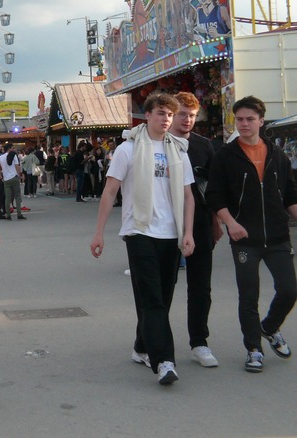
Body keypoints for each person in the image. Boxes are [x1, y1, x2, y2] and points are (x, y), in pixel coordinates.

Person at [90, 92, 195, 385]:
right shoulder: (128, 149)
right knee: (152, 299)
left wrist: (188, 232)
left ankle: (142, 346)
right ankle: (165, 361)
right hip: (139, 231)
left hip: (170, 233)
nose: (166, 119)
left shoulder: (178, 150)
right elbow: (110, 191)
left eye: (170, 115)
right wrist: (99, 233)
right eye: (161, 113)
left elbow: (188, 196)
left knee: (162, 297)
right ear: (147, 115)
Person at [206, 95, 297, 373]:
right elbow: (214, 196)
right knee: (249, 295)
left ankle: (269, 327)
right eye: (240, 119)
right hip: (244, 237)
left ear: (261, 121)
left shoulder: (277, 154)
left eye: (250, 119)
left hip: (278, 236)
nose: (244, 124)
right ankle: (253, 349)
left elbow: (290, 193)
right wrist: (230, 223)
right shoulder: (225, 156)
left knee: (289, 290)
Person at [169, 91, 223, 367]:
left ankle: (199, 342)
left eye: (191, 115)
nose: (187, 120)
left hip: (200, 221)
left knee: (201, 286)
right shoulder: (158, 143)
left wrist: (216, 221)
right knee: (161, 287)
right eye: (182, 114)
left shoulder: (205, 146)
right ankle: (149, 342)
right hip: (165, 224)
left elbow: (213, 188)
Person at [0, 143, 25, 220]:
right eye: (12, 147)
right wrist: (19, 176)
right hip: (14, 178)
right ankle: (19, 214)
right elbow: (17, 166)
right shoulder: (14, 155)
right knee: (17, 196)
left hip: (6, 180)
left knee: (7, 198)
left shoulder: (0, 157)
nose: (14, 149)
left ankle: (8, 215)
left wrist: (1, 177)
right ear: (9, 148)